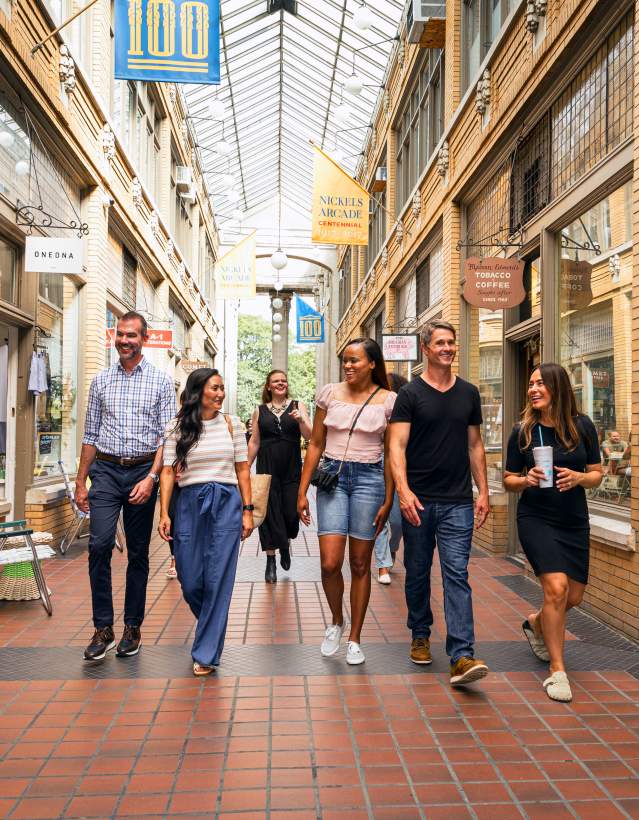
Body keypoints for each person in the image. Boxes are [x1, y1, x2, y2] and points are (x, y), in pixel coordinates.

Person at [388, 320, 490, 686]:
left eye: (452, 342)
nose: (447, 348)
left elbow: (474, 444)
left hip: (458, 502)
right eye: (441, 343)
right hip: (418, 502)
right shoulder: (410, 394)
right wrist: (403, 490)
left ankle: (462, 655)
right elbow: (396, 446)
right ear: (426, 348)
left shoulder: (468, 393)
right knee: (417, 573)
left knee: (456, 575)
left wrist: (484, 490)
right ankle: (420, 632)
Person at [75, 311, 176, 661]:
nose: (124, 340)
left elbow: (168, 439)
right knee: (99, 545)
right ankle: (103, 627)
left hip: (141, 473)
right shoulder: (100, 381)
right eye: (120, 334)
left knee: (138, 553)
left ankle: (132, 626)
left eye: (131, 335)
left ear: (144, 339)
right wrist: (80, 481)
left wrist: (151, 479)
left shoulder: (161, 382)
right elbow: (89, 435)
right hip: (104, 469)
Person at [503, 363, 602, 702]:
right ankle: (558, 671)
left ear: (557, 387)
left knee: (572, 597)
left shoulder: (582, 427)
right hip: (536, 517)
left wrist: (578, 478)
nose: (532, 389)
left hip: (574, 519)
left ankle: (535, 623)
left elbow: (597, 473)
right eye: (530, 383)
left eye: (540, 383)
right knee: (556, 589)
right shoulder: (523, 432)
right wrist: (525, 479)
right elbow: (508, 479)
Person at [298, 338, 396, 665]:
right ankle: (336, 621)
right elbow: (315, 443)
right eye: (345, 361)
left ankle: (355, 637)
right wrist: (301, 492)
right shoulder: (329, 393)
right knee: (329, 562)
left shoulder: (388, 400)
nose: (348, 366)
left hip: (370, 480)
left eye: (355, 361)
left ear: (372, 363)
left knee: (359, 563)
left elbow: (393, 455)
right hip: (332, 479)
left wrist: (389, 498)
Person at [158, 368, 253, 676]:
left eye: (222, 388)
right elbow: (169, 471)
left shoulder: (232, 424)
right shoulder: (177, 426)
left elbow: (242, 469)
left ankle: (206, 652)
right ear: (198, 392)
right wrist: (164, 513)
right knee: (190, 578)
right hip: (189, 503)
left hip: (226, 502)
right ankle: (211, 621)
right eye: (215, 388)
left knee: (219, 577)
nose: (220, 393)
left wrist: (248, 511)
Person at [248, 370, 312, 583]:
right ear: (268, 386)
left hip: (292, 469)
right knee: (267, 515)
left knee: (290, 515)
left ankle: (284, 543)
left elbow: (310, 436)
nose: (280, 383)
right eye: (275, 381)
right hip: (266, 469)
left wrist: (301, 419)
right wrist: (243, 469)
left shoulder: (297, 405)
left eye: (284, 380)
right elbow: (255, 442)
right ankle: (271, 561)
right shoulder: (259, 411)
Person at [375, 373, 407, 585]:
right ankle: (383, 565)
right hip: (375, 468)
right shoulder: (375, 408)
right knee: (379, 519)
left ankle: (393, 547)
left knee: (397, 521)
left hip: (401, 470)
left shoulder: (406, 413)